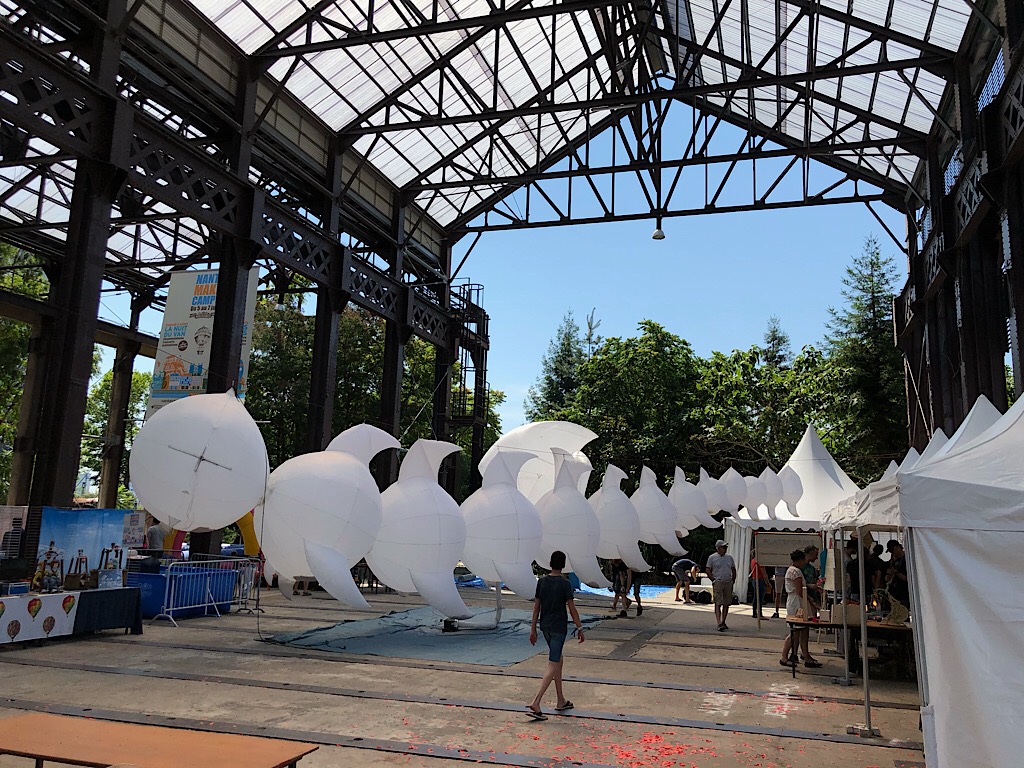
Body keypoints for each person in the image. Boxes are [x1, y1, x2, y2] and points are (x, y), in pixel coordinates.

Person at [528, 550, 585, 720]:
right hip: (558, 628)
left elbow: (536, 607)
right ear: (563, 565)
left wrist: (533, 629)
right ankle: (536, 701)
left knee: (558, 660)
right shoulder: (565, 584)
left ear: (550, 563)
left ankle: (561, 700)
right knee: (553, 663)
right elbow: (572, 608)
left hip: (545, 626)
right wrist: (580, 627)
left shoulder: (542, 582)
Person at [779, 548, 823, 669]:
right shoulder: (796, 572)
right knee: (796, 631)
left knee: (803, 630)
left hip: (795, 600)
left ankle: (805, 655)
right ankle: (784, 656)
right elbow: (800, 591)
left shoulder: (792, 570)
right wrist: (811, 601)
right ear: (799, 560)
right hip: (797, 602)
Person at [706, 540, 736, 631]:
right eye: (723, 547)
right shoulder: (712, 557)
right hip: (718, 581)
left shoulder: (729, 557)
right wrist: (713, 580)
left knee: (727, 602)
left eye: (726, 547)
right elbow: (708, 569)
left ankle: (723, 621)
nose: (725, 549)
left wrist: (733, 579)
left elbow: (733, 569)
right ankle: (719, 622)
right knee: (718, 602)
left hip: (728, 581)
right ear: (718, 548)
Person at [886, 541, 910, 609]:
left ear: (897, 548)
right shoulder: (893, 561)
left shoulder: (907, 559)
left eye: (892, 551)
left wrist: (896, 573)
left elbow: (908, 578)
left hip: (905, 592)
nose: (892, 553)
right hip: (895, 592)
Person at [801, 544, 821, 618]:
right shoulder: (801, 567)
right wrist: (810, 585)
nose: (816, 557)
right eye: (816, 555)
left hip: (812, 594)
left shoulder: (812, 568)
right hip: (805, 594)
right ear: (811, 553)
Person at [749, 551, 769, 618]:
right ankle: (759, 613)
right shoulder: (759, 562)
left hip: (754, 579)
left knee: (756, 596)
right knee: (760, 597)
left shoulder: (752, 561)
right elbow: (764, 573)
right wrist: (768, 582)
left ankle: (754, 612)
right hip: (760, 580)